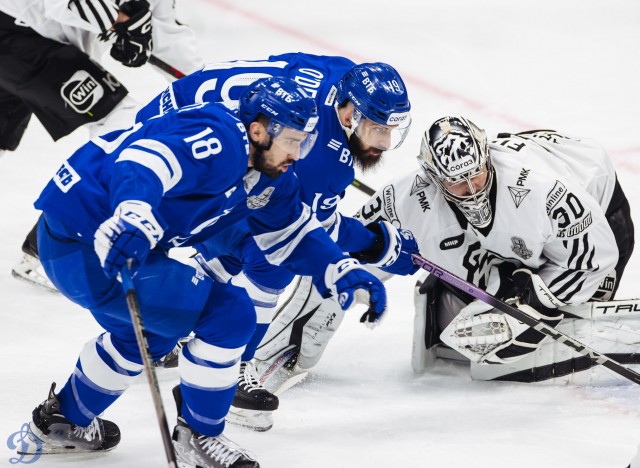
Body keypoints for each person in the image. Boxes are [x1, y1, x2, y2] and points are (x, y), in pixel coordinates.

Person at [18, 77, 393, 467]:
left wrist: (339, 267)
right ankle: (198, 436)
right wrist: (132, 212)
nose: (298, 154)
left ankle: (64, 420)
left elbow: (292, 232)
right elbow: (146, 160)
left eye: (305, 142)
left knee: (150, 336)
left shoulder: (270, 171)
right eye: (292, 141)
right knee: (229, 314)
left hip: (85, 237)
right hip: (91, 239)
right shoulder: (220, 138)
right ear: (258, 130)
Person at [134, 53, 418, 430]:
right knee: (273, 252)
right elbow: (306, 230)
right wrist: (377, 243)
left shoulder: (341, 76)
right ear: (349, 116)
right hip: (176, 144)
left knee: (249, 224)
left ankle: (160, 331)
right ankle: (232, 370)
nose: (385, 142)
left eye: (392, 130)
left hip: (192, 111)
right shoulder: (319, 153)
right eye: (379, 129)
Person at [259, 115, 636, 387]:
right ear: (434, 179)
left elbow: (594, 259)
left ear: (487, 159)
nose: (471, 190)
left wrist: (538, 305)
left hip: (596, 204)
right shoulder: (409, 196)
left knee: (506, 357)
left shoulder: (543, 192)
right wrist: (289, 350)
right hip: (522, 233)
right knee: (493, 327)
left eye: (476, 175)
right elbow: (340, 261)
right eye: (456, 183)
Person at [0, 0, 203, 289]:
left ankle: (43, 254)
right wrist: (118, 20)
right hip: (22, 36)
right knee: (123, 127)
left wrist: (208, 86)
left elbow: (165, 34)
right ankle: (49, 257)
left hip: (31, 38)